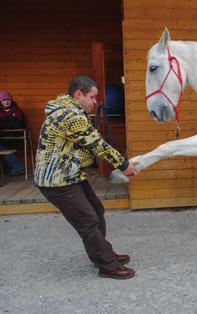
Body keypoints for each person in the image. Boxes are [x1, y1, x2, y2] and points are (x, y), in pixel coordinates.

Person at [34, 76, 137, 280]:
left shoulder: (72, 112)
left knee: (96, 211)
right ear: (78, 94)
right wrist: (124, 165)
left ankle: (101, 253)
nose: (95, 102)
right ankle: (107, 265)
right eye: (92, 97)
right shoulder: (70, 117)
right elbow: (97, 144)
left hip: (70, 175)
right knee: (88, 221)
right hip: (57, 181)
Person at [0, 90, 26, 176]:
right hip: (3, 137)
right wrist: (9, 120)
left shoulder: (17, 110)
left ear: (11, 100)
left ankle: (18, 168)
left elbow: (17, 124)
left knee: (3, 146)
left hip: (16, 138)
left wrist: (3, 121)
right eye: (4, 100)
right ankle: (16, 168)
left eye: (8, 99)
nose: (6, 101)